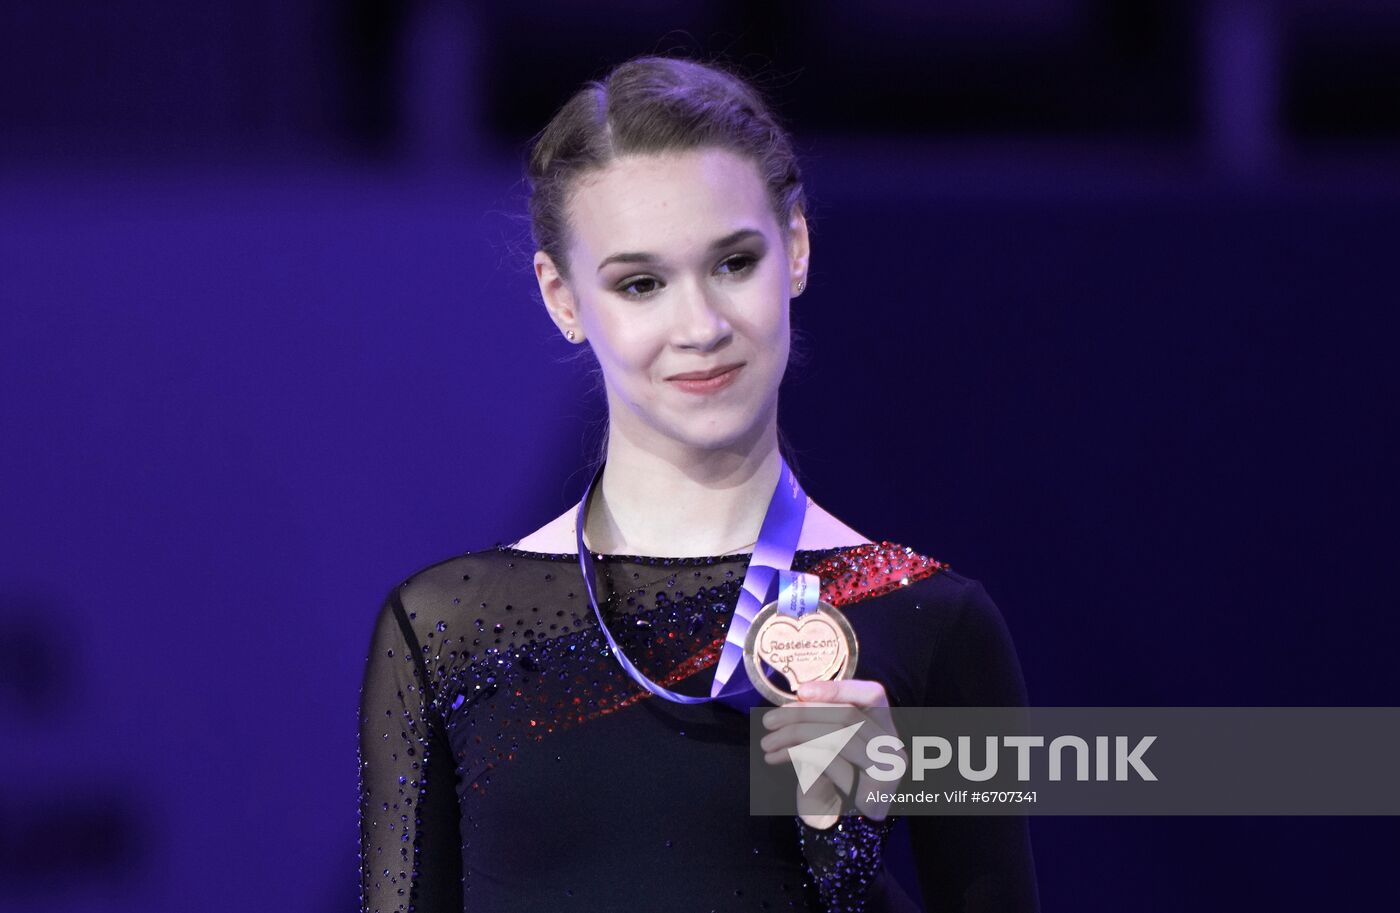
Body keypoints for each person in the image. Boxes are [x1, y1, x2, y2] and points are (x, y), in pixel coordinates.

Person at [358, 54, 1039, 913]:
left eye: (733, 263)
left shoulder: (928, 621)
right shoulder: (444, 633)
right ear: (562, 298)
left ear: (796, 248)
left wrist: (845, 844)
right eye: (641, 284)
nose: (701, 326)